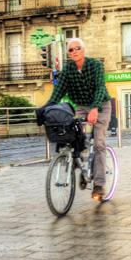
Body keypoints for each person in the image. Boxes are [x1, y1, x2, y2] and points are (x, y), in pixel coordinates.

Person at [45, 37, 111, 200]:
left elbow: (100, 88)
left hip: (101, 105)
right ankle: (84, 168)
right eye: (71, 50)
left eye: (77, 48)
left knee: (98, 144)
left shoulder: (95, 65)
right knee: (77, 138)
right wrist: (46, 108)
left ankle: (99, 185)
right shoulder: (68, 69)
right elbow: (58, 91)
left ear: (84, 50)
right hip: (81, 107)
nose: (74, 52)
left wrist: (95, 108)